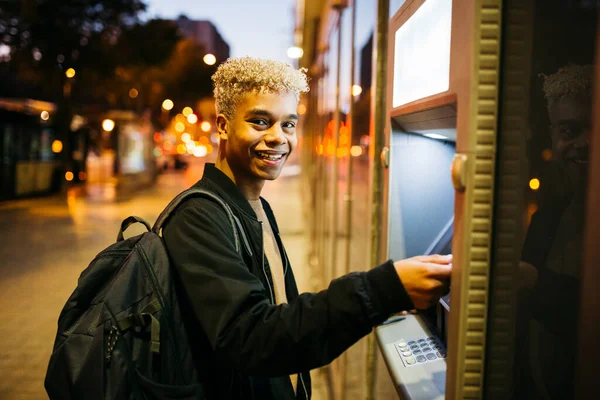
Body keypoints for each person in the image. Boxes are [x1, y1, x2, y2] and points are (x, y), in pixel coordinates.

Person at [163, 57, 452, 400]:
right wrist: (384, 289)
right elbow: (254, 338)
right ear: (223, 127)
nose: (277, 138)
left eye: (288, 124)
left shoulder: (255, 207)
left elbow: (281, 320)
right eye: (259, 122)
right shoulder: (197, 217)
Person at [515, 64, 592, 400]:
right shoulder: (549, 217)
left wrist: (533, 281)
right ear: (553, 136)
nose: (585, 144)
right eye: (569, 131)